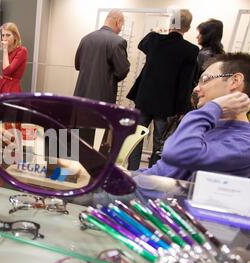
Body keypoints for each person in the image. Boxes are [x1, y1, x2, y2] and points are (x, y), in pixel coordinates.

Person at [141, 52, 250, 180]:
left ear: (234, 81)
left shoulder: (244, 142)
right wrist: (130, 176)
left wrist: (213, 108)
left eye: (205, 80)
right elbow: (163, 170)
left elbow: (178, 154)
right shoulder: (209, 125)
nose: (196, 89)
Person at [126, 9, 199, 170]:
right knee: (160, 143)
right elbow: (185, 83)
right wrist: (182, 109)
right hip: (166, 105)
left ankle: (132, 172)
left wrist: (158, 32)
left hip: (144, 99)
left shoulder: (153, 39)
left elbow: (141, 44)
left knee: (136, 138)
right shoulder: (190, 50)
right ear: (187, 28)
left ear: (170, 23)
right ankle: (153, 175)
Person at [73, 10, 129, 146]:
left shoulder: (86, 38)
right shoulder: (118, 42)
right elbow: (122, 70)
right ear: (118, 22)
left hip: (80, 98)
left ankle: (76, 166)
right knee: (96, 147)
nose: (121, 29)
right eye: (121, 25)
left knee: (78, 141)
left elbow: (78, 65)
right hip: (102, 102)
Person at [0, 22, 28, 93]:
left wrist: (5, 50)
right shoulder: (8, 51)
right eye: (3, 35)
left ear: (15, 36)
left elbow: (7, 71)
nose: (4, 38)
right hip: (3, 85)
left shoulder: (22, 50)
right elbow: (6, 75)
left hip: (12, 88)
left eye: (8, 35)